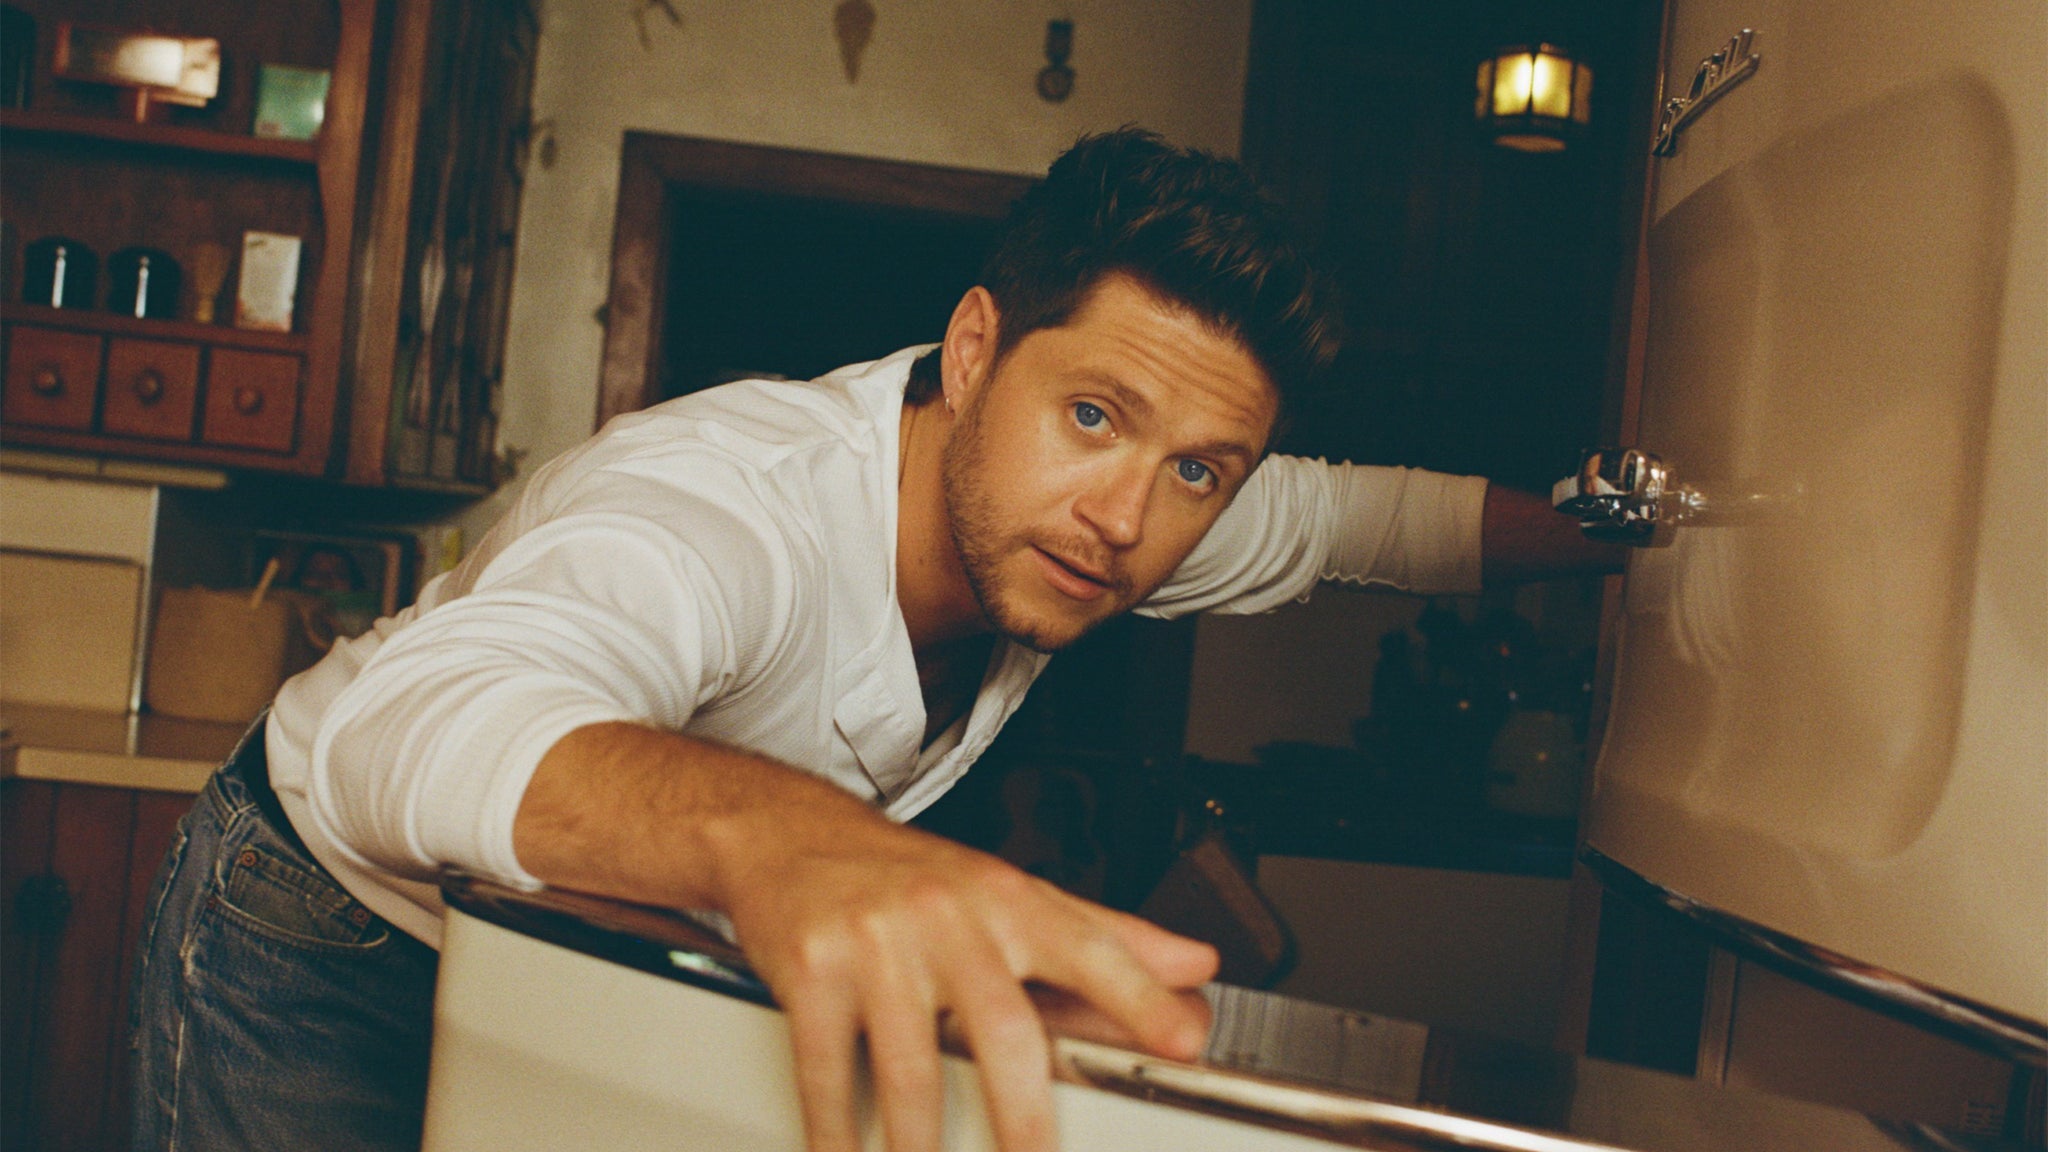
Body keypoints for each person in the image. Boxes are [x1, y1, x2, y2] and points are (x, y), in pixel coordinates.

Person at [130, 128, 1616, 1152]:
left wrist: (1644, 537)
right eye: (1090, 414)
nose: (1125, 517)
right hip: (326, 926)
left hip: (571, 946)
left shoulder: (1120, 508)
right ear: (973, 352)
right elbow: (412, 722)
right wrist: (790, 842)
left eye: (1198, 471)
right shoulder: (728, 504)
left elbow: (1373, 521)